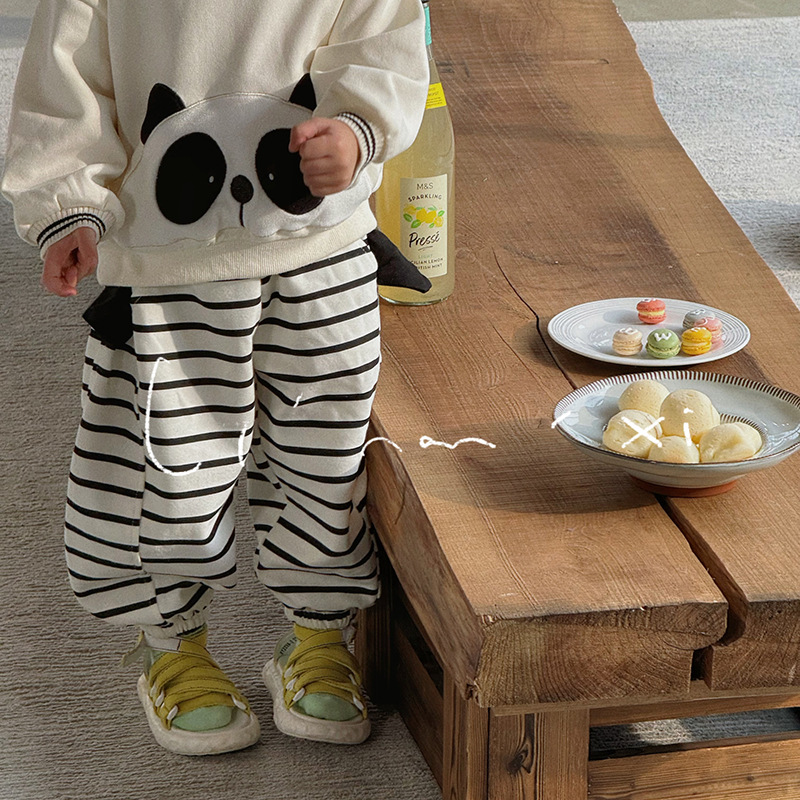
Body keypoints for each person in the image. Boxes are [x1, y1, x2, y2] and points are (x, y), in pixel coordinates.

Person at [2, 0, 428, 756]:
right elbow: (64, 81)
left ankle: (318, 634)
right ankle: (171, 644)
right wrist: (70, 206)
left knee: (326, 450)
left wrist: (358, 127)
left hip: (322, 244)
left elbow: (383, 35)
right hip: (167, 261)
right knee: (167, 460)